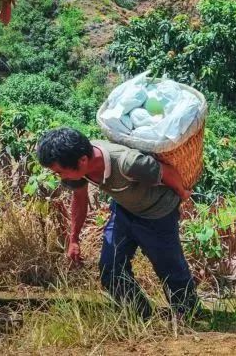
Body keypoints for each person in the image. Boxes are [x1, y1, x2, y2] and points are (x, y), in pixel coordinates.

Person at [36, 127, 199, 320]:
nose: (60, 177)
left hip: (158, 214)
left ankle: (189, 314)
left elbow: (167, 172)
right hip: (124, 210)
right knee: (110, 269)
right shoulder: (79, 168)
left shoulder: (127, 163)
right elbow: (79, 198)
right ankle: (142, 316)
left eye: (60, 172)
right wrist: (74, 239)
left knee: (170, 268)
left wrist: (182, 193)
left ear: (82, 161)